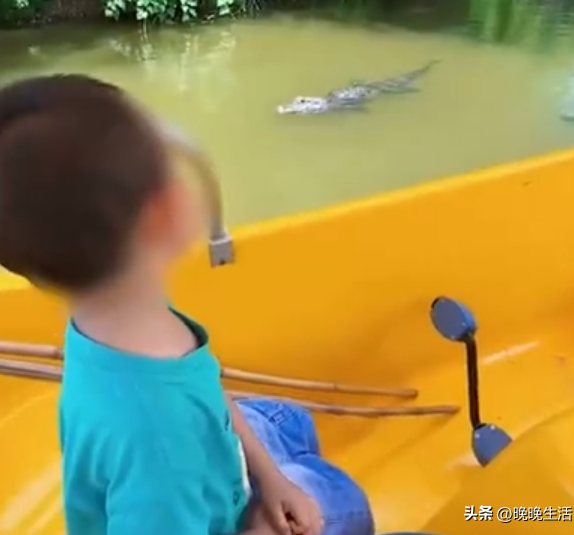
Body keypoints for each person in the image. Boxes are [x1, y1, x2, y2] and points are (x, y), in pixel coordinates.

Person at [0, 74, 375, 535]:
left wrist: (272, 478)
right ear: (166, 212)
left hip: (207, 464)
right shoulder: (163, 448)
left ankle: (289, 469)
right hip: (201, 497)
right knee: (342, 500)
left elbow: (205, 384)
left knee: (288, 421)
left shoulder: (110, 324)